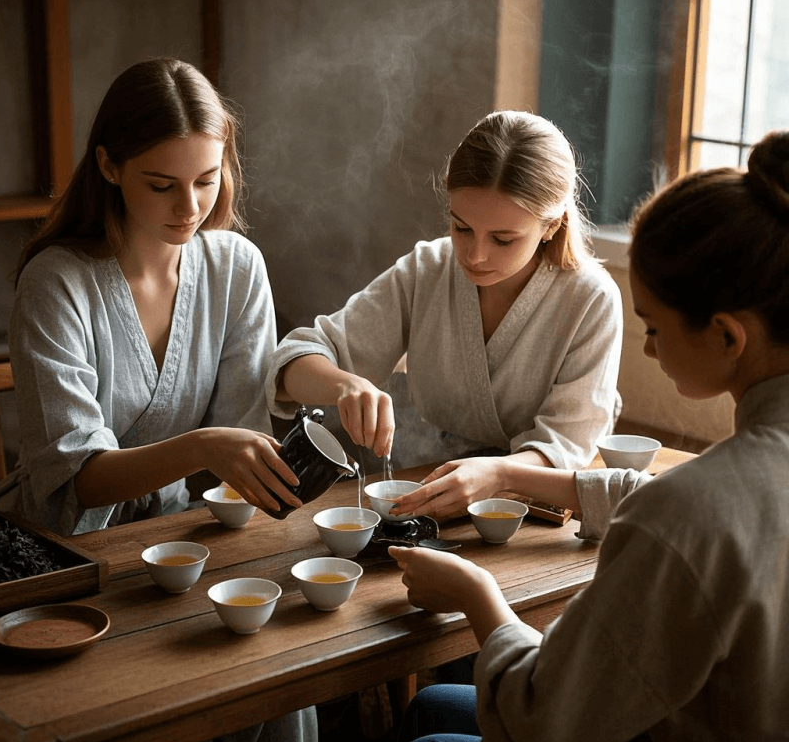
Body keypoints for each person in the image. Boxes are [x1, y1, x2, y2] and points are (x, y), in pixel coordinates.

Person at [384, 129, 789, 742]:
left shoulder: (695, 511)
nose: (649, 350)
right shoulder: (728, 486)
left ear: (726, 336)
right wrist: (517, 477)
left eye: (652, 326)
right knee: (436, 706)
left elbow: (541, 720)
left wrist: (478, 595)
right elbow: (690, 506)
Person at [0, 57, 316, 742]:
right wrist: (203, 447)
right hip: (70, 559)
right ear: (108, 165)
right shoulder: (58, 282)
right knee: (163, 719)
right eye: (162, 185)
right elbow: (78, 478)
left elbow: (241, 446)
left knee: (286, 683)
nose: (190, 207)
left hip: (187, 543)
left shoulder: (236, 269)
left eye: (207, 180)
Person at [266, 111, 623, 518]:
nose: (474, 255)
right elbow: (295, 360)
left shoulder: (590, 300)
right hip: (423, 488)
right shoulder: (429, 270)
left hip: (533, 509)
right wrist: (344, 385)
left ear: (551, 225)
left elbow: (568, 442)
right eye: (461, 227)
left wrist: (499, 474)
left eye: (503, 239)